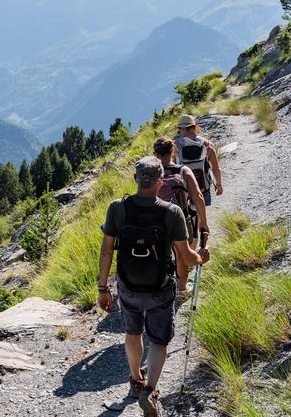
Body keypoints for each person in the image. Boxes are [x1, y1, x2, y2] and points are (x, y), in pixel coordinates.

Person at [97, 156, 210, 417]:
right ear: (161, 181)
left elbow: (106, 252)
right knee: (158, 340)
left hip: (128, 286)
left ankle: (136, 380)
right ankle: (149, 390)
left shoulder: (117, 208)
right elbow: (186, 255)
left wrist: (103, 289)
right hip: (159, 287)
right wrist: (202, 255)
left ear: (136, 179)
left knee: (133, 333)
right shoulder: (171, 212)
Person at [153, 136, 209, 257]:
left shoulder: (151, 174)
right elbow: (198, 196)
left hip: (156, 224)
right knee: (184, 258)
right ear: (173, 151)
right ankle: (183, 272)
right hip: (182, 222)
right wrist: (203, 222)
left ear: (155, 154)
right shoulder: (183, 170)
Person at [173, 115, 223, 206]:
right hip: (203, 187)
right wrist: (219, 185)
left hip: (184, 190)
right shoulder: (207, 145)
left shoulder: (175, 147)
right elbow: (216, 168)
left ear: (180, 129)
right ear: (195, 128)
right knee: (201, 212)